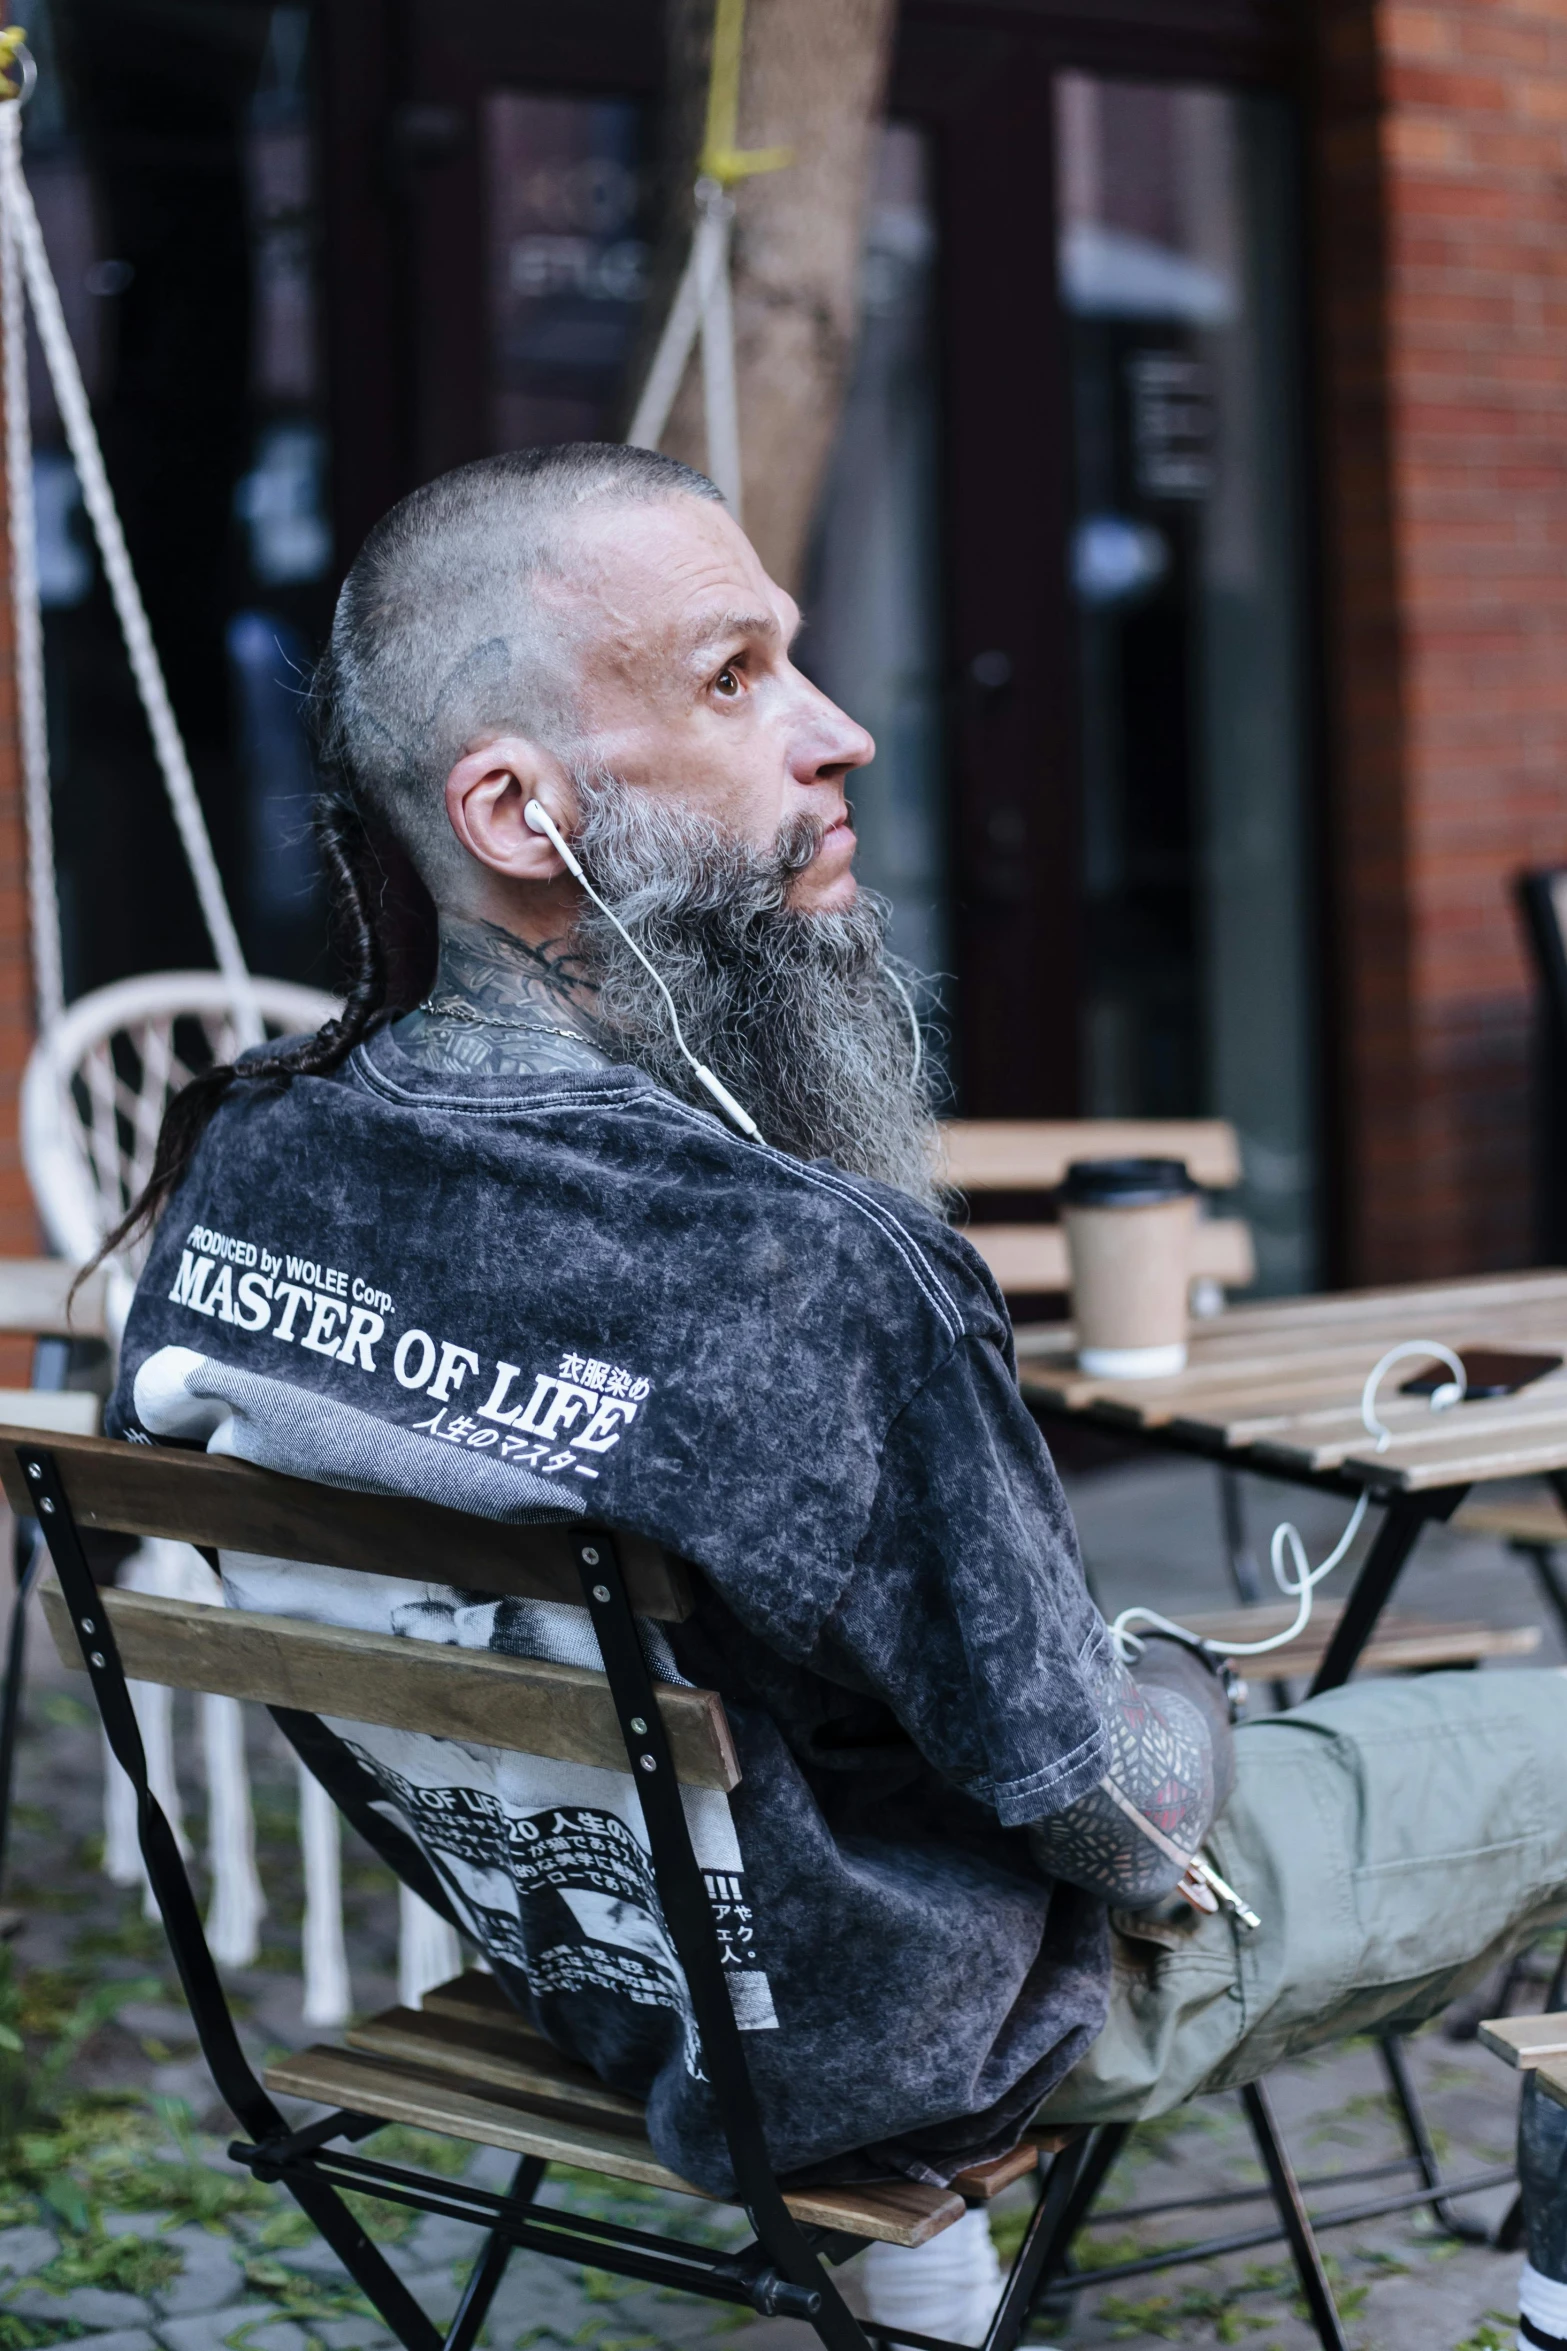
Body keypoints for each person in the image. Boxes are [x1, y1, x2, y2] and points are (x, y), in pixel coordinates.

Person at [105, 444, 1567, 2348]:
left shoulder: (247, 1168)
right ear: (518, 813)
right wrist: (1189, 1682)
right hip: (907, 2023)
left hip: (584, 1955)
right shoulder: (814, 1274)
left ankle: (920, 2299)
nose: (842, 732)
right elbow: (1115, 1824)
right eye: (732, 679)